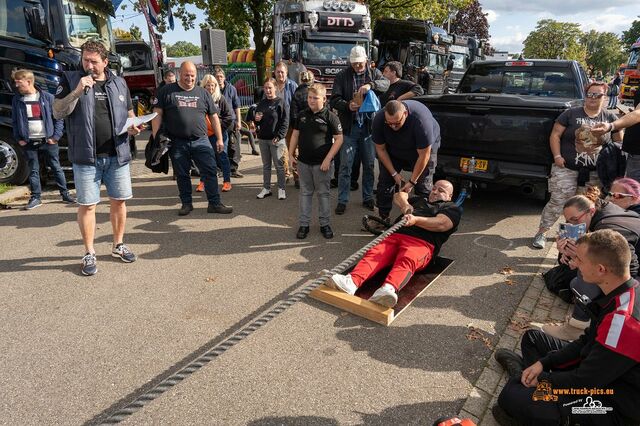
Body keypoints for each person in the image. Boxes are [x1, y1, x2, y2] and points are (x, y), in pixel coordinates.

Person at [492, 229, 640, 426]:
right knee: (533, 339)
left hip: (612, 402)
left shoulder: (624, 323)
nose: (575, 264)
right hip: (599, 371)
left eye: (580, 260)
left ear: (601, 269)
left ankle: (528, 388)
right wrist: (543, 364)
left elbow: (585, 382)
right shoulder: (624, 290)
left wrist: (544, 379)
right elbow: (586, 342)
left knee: (511, 396)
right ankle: (527, 380)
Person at [52, 40, 142, 276]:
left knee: (120, 201)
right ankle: (89, 252)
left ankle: (118, 245)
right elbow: (57, 110)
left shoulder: (120, 83)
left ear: (105, 61)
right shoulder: (70, 80)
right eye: (85, 60)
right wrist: (77, 91)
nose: (89, 65)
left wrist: (134, 127)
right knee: (88, 205)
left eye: (94, 61)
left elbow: (129, 112)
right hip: (86, 157)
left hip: (117, 154)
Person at [328, 180, 461, 307]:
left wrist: (416, 220)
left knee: (408, 257)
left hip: (421, 243)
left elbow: (442, 224)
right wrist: (405, 205)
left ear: (449, 196)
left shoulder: (451, 207)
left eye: (441, 190)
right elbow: (399, 195)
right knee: (376, 253)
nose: (435, 192)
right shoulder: (420, 200)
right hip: (396, 234)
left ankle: (388, 289)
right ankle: (351, 282)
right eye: (434, 188)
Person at [541, 187, 640, 341]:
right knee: (574, 280)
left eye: (574, 220)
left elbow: (631, 268)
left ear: (591, 211)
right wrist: (567, 254)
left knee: (580, 279)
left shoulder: (609, 228)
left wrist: (581, 261)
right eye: (567, 221)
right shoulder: (600, 210)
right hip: (627, 275)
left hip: (633, 282)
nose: (571, 225)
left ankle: (578, 326)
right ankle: (590, 315)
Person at [531, 82, 623, 250]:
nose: (593, 98)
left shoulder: (610, 119)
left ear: (605, 97)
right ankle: (542, 232)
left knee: (587, 208)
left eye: (598, 95)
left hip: (595, 173)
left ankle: (579, 240)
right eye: (590, 94)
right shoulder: (570, 114)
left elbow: (618, 144)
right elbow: (555, 135)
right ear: (585, 96)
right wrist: (557, 156)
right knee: (558, 202)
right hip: (566, 168)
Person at [151, 61, 232, 217]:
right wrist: (156, 137)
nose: (190, 78)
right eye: (186, 75)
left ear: (196, 76)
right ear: (180, 74)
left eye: (193, 75)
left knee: (209, 170)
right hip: (177, 142)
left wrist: (220, 139)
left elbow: (214, 117)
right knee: (182, 174)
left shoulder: (203, 93)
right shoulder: (166, 91)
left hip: (201, 140)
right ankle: (186, 204)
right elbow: (157, 114)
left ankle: (214, 203)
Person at [330, 45, 389, 215]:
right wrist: (348, 105)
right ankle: (342, 200)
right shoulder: (342, 76)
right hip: (350, 127)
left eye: (360, 63)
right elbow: (334, 99)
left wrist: (371, 85)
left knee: (369, 165)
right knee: (345, 167)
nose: (357, 66)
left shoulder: (374, 73)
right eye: (354, 64)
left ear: (366, 60)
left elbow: (385, 83)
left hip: (369, 128)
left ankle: (368, 197)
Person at [11, 69, 75, 210]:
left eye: (18, 83)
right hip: (28, 142)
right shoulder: (17, 100)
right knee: (33, 170)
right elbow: (15, 121)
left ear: (29, 81)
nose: (16, 86)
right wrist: (19, 138)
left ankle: (65, 195)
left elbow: (58, 119)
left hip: (48, 141)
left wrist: (55, 137)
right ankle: (36, 198)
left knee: (56, 167)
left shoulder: (47, 97)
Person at [288, 83, 343, 239]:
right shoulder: (302, 115)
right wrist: (290, 154)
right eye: (309, 97)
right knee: (305, 193)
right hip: (304, 163)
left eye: (315, 98)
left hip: (322, 165)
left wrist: (328, 159)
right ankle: (304, 225)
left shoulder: (331, 117)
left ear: (324, 99)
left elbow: (339, 139)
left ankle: (325, 224)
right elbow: (295, 135)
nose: (311, 101)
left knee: (323, 194)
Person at [372, 100, 440, 221]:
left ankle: (422, 220)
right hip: (393, 149)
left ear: (405, 114)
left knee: (423, 185)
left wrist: (412, 182)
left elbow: (424, 155)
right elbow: (381, 150)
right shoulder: (379, 119)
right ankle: (383, 218)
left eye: (397, 123)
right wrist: (394, 174)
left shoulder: (420, 121)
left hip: (421, 150)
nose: (393, 126)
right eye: (389, 123)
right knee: (384, 183)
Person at [251, 77, 289, 200]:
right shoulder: (261, 103)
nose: (267, 90)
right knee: (266, 165)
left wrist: (279, 136)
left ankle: (281, 188)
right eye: (265, 88)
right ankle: (266, 188)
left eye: (270, 88)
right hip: (263, 139)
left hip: (276, 140)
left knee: (279, 165)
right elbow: (257, 121)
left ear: (275, 88)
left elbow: (285, 122)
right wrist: (256, 121)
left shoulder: (281, 102)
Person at [196, 74, 233, 193]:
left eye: (212, 85)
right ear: (203, 86)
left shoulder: (220, 99)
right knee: (204, 159)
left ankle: (227, 181)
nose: (210, 88)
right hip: (204, 135)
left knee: (222, 157)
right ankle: (203, 181)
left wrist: (218, 128)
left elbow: (228, 117)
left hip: (219, 135)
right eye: (208, 85)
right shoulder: (199, 99)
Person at [591, 91, 640, 181]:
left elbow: (639, 113)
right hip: (634, 151)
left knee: (634, 190)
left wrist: (611, 126)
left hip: (637, 155)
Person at [214, 67, 248, 176]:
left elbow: (236, 105)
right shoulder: (212, 89)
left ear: (224, 77)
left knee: (233, 146)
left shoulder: (231, 88)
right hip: (218, 122)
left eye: (221, 76)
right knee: (220, 145)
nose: (219, 78)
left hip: (231, 121)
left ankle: (234, 169)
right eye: (217, 77)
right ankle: (220, 169)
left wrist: (239, 121)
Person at [289, 70, 315, 189]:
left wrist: (296, 128)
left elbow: (294, 114)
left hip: (300, 127)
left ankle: (299, 178)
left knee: (298, 152)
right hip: (314, 128)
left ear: (301, 80)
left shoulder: (297, 93)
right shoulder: (314, 92)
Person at [273, 61, 298, 182]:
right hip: (277, 123)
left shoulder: (292, 85)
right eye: (278, 72)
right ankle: (286, 173)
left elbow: (298, 103)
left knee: (294, 149)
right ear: (275, 73)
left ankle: (297, 176)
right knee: (280, 150)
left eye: (282, 72)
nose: (280, 74)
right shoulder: (271, 85)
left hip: (291, 122)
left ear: (286, 73)